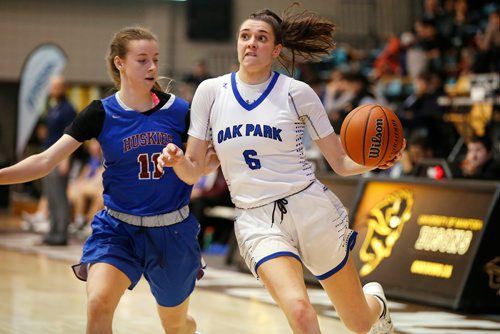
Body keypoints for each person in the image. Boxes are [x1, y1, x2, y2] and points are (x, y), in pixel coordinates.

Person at [158, 5, 405, 334]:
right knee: (301, 312)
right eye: (245, 36)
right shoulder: (211, 92)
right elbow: (193, 172)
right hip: (257, 219)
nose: (251, 43)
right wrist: (177, 161)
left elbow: (341, 162)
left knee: (359, 322)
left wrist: (376, 160)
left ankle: (376, 301)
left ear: (275, 49)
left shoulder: (297, 93)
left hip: (310, 210)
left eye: (261, 38)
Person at [0, 26, 214, 334]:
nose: (152, 66)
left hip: (171, 232)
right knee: (98, 303)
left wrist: (189, 161)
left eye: (155, 59)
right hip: (118, 229)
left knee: (175, 324)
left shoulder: (179, 111)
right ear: (120, 63)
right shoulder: (100, 113)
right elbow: (45, 160)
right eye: (142, 59)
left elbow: (200, 167)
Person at [41, 74, 77, 245]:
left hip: (60, 159)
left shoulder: (68, 109)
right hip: (48, 158)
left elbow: (71, 137)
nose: (54, 90)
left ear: (64, 88)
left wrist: (66, 160)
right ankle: (53, 229)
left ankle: (62, 233)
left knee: (60, 195)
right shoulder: (53, 107)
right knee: (50, 195)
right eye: (53, 86)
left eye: (58, 86)